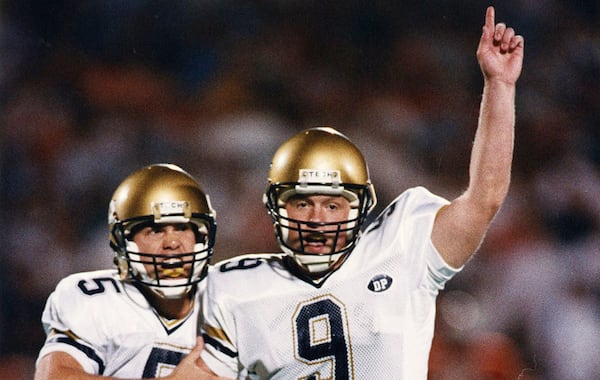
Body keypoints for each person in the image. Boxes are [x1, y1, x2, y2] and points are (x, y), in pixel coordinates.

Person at [199, 6, 524, 379]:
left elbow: (485, 199)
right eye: (303, 202)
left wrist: (500, 86)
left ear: (360, 206)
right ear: (276, 207)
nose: (318, 219)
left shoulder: (400, 248)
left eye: (333, 204)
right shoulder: (234, 287)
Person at [35, 164, 223, 379]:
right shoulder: (96, 299)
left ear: (202, 236)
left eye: (182, 228)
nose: (172, 242)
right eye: (154, 230)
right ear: (124, 242)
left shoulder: (233, 301)